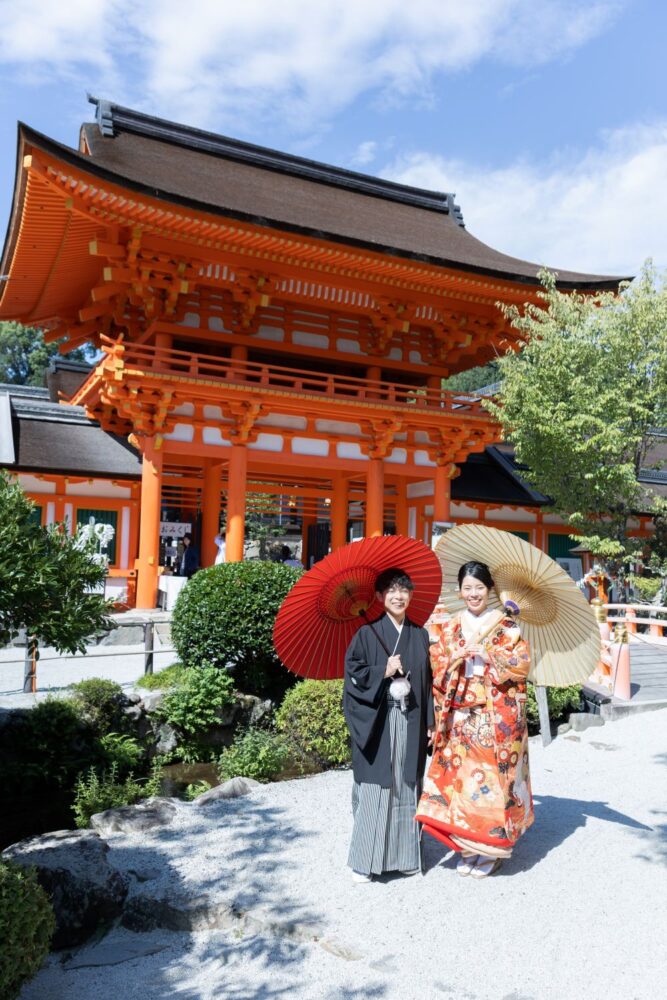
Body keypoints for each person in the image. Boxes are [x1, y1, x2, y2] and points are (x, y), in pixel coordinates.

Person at [416, 560, 533, 878]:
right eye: (467, 588)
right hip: (458, 718)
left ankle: (491, 851)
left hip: (492, 719)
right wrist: (454, 658)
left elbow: (521, 664)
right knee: (462, 787)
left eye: (479, 588)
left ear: (490, 590)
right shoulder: (451, 626)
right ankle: (468, 847)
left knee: (491, 787)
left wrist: (490, 656)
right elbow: (436, 664)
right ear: (459, 591)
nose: (473, 594)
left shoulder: (506, 626)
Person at [343, 568, 434, 883]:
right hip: (379, 721)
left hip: (411, 718)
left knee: (407, 785)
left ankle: (406, 856)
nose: (398, 596)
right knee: (375, 786)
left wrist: (430, 722)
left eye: (404, 590)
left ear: (410, 595)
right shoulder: (366, 635)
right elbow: (353, 676)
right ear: (380, 597)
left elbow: (428, 683)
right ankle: (364, 861)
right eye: (391, 591)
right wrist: (383, 670)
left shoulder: (420, 635)